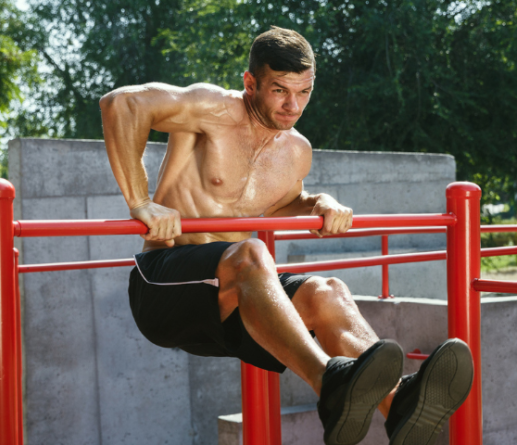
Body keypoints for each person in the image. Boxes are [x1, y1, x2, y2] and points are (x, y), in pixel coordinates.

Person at [100, 26, 473, 445]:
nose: (292, 105)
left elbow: (284, 202)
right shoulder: (212, 109)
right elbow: (121, 104)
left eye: (303, 92)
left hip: (233, 302)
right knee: (253, 253)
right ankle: (328, 382)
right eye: (279, 90)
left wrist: (320, 204)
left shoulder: (296, 151)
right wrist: (140, 201)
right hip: (165, 288)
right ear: (250, 82)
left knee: (327, 291)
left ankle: (400, 404)